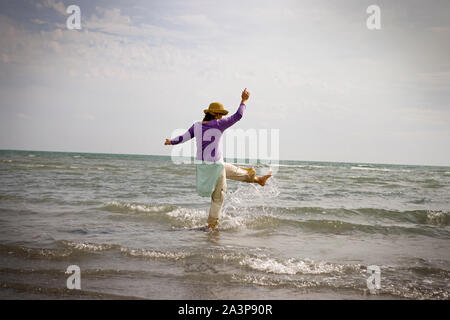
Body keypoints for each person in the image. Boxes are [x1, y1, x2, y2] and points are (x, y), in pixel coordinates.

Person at [164, 88, 272, 230]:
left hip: (204, 165)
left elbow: (183, 138)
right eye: (220, 114)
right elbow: (238, 116)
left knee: (233, 170)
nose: (221, 117)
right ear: (214, 114)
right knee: (218, 197)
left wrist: (170, 142)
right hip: (214, 165)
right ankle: (211, 226)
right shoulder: (218, 124)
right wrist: (244, 100)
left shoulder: (196, 126)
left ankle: (258, 180)